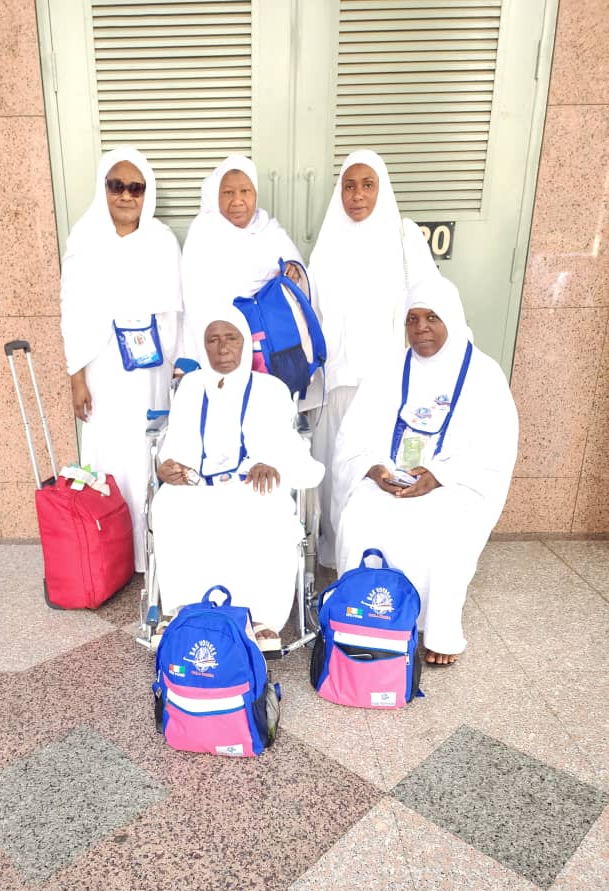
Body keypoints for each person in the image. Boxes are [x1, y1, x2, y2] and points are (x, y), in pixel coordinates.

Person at [331, 277, 518, 664]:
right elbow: (354, 435)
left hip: (454, 483)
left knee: (444, 527)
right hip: (390, 479)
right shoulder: (388, 370)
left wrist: (437, 476)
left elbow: (494, 448)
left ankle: (438, 630)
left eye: (432, 317)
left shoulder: (484, 375)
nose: (421, 328)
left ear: (452, 318)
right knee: (359, 517)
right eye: (412, 319)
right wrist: (375, 469)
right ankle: (361, 619)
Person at [152, 306, 325, 647]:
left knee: (265, 509)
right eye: (212, 340)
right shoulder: (190, 387)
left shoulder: (270, 388)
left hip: (250, 483)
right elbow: (175, 444)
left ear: (245, 343)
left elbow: (284, 441)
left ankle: (260, 616)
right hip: (198, 483)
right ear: (203, 346)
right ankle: (183, 608)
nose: (222, 348)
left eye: (231, 338)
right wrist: (167, 467)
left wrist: (269, 461)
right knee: (168, 505)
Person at [308, 149, 439, 567]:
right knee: (336, 468)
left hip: (386, 383)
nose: (357, 195)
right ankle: (337, 554)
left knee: (380, 468)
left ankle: (377, 558)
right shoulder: (327, 244)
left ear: (382, 189)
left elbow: (430, 300)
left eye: (367, 185)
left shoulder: (404, 240)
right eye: (349, 186)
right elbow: (313, 313)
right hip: (337, 383)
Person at [60, 146, 182, 572]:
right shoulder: (85, 240)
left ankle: (150, 554)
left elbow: (176, 311)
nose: (126, 196)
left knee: (148, 450)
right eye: (117, 186)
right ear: (104, 188)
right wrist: (76, 378)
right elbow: (73, 311)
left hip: (151, 369)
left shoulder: (162, 241)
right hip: (104, 370)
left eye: (136, 187)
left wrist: (177, 368)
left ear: (147, 193)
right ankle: (109, 553)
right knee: (111, 455)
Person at [181, 155, 305, 359]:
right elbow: (193, 300)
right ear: (216, 195)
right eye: (228, 193)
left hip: (270, 346)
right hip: (218, 346)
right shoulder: (203, 233)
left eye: (245, 191)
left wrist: (293, 271)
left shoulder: (269, 230)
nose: (237, 200)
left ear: (255, 194)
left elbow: (300, 278)